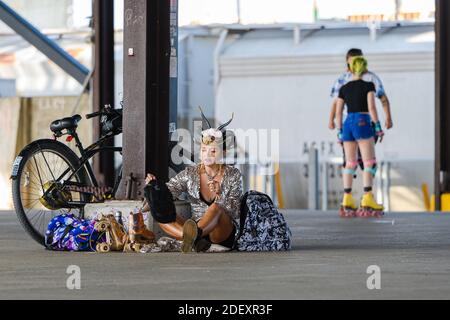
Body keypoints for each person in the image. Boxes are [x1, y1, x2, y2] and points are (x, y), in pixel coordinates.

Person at [142, 108, 243, 253]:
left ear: (223, 152)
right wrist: (154, 187)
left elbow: (236, 211)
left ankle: (193, 238)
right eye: (203, 150)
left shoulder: (233, 174)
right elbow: (169, 192)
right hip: (196, 226)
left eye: (213, 151)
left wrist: (220, 195)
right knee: (160, 206)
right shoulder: (190, 173)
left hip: (220, 234)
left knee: (215, 208)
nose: (206, 155)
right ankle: (196, 240)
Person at [329, 48, 393, 174]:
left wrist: (388, 117)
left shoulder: (352, 79)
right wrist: (388, 118)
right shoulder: (352, 79)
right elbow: (383, 100)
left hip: (353, 123)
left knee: (356, 162)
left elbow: (383, 99)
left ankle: (354, 190)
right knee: (361, 162)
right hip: (361, 122)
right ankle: (361, 190)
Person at [335, 56, 385, 218]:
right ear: (364, 69)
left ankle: (347, 198)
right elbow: (371, 107)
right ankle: (367, 198)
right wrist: (377, 126)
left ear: (350, 68)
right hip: (363, 121)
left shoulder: (344, 88)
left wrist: (339, 131)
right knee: (369, 162)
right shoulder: (368, 85)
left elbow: (338, 112)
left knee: (350, 163)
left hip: (347, 122)